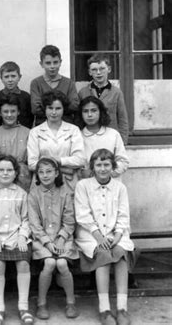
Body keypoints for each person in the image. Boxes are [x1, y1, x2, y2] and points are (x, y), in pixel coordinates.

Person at [75, 149, 137, 325]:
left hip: (115, 233)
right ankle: (105, 309)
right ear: (92, 167)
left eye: (106, 165)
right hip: (90, 234)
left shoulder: (120, 187)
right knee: (103, 254)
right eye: (99, 165)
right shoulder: (83, 185)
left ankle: (122, 308)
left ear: (113, 166)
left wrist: (117, 236)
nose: (102, 169)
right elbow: (83, 215)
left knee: (120, 254)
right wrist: (99, 236)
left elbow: (123, 215)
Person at [0, 155, 34, 325]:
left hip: (16, 237)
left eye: (9, 170)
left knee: (23, 262)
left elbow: (26, 219)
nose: (5, 173)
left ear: (15, 172)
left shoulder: (22, 194)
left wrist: (23, 236)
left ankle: (23, 307)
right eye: (1, 170)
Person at [28, 157, 79, 320]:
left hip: (63, 238)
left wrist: (61, 239)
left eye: (49, 171)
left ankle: (71, 302)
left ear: (57, 172)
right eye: (41, 172)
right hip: (42, 240)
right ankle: (41, 303)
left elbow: (70, 220)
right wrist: (47, 242)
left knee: (62, 263)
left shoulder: (65, 192)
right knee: (50, 263)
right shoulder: (34, 194)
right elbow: (34, 223)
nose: (45, 175)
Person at [27, 90, 86, 192]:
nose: (54, 112)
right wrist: (64, 166)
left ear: (64, 109)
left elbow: (80, 160)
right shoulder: (35, 132)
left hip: (68, 184)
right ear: (45, 109)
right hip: (42, 183)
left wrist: (58, 160)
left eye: (58, 108)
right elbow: (32, 164)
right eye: (50, 108)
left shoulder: (73, 130)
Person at [78, 54, 129, 144]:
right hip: (89, 139)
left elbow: (122, 119)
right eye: (94, 70)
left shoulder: (116, 93)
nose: (98, 73)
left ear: (109, 69)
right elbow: (79, 118)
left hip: (110, 140)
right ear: (89, 72)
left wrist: (122, 142)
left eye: (102, 69)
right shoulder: (83, 92)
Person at [78, 96, 129, 179]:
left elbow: (123, 161)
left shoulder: (113, 134)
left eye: (94, 110)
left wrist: (106, 172)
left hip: (111, 185)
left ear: (101, 112)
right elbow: (75, 162)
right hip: (86, 185)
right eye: (85, 111)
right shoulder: (77, 136)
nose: (89, 115)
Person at [0, 97, 32, 192]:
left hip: (24, 179)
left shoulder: (29, 133)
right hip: (2, 180)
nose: (9, 115)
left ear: (18, 112)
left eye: (13, 111)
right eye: (5, 111)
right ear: (0, 113)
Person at [30, 45, 79, 125]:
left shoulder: (69, 83)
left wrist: (47, 106)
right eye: (48, 63)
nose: (52, 66)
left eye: (55, 62)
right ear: (41, 64)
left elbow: (74, 105)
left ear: (60, 62)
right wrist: (61, 107)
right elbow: (36, 109)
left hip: (66, 126)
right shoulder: (36, 83)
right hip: (43, 126)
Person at [0, 61, 34, 128]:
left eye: (13, 76)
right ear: (1, 78)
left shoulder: (26, 97)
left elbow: (30, 118)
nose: (10, 80)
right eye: (6, 77)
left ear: (19, 77)